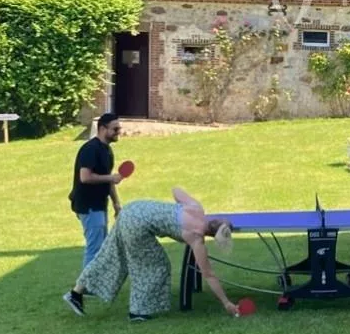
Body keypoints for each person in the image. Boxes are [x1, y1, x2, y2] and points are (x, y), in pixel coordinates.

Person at [63, 187, 239, 321]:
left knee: (109, 254)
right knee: (157, 266)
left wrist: (173, 212)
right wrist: (226, 303)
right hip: (137, 226)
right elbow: (209, 275)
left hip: (132, 210)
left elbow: (176, 190)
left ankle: (76, 293)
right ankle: (138, 312)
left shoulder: (195, 208)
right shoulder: (196, 239)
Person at [69, 113, 123, 269]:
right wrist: (111, 178)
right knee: (95, 248)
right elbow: (85, 177)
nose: (118, 132)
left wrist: (116, 203)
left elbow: (108, 179)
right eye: (115, 129)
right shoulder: (90, 149)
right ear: (103, 129)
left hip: (100, 205)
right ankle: (85, 283)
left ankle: (96, 280)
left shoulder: (107, 150)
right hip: (88, 206)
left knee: (101, 248)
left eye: (119, 129)